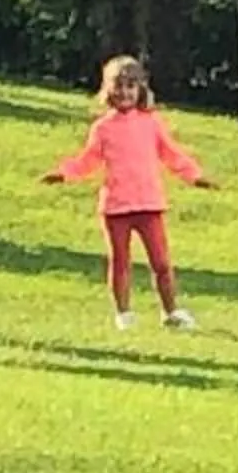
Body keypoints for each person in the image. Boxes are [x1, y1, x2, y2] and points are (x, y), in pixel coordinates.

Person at [43, 55, 212, 331]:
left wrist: (195, 176)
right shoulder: (103, 128)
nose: (124, 92)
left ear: (141, 89)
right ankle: (123, 313)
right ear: (107, 90)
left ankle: (171, 311)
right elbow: (88, 159)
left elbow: (171, 154)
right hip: (116, 206)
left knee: (161, 263)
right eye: (118, 86)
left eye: (130, 86)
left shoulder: (151, 122)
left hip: (149, 203)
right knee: (120, 262)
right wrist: (64, 173)